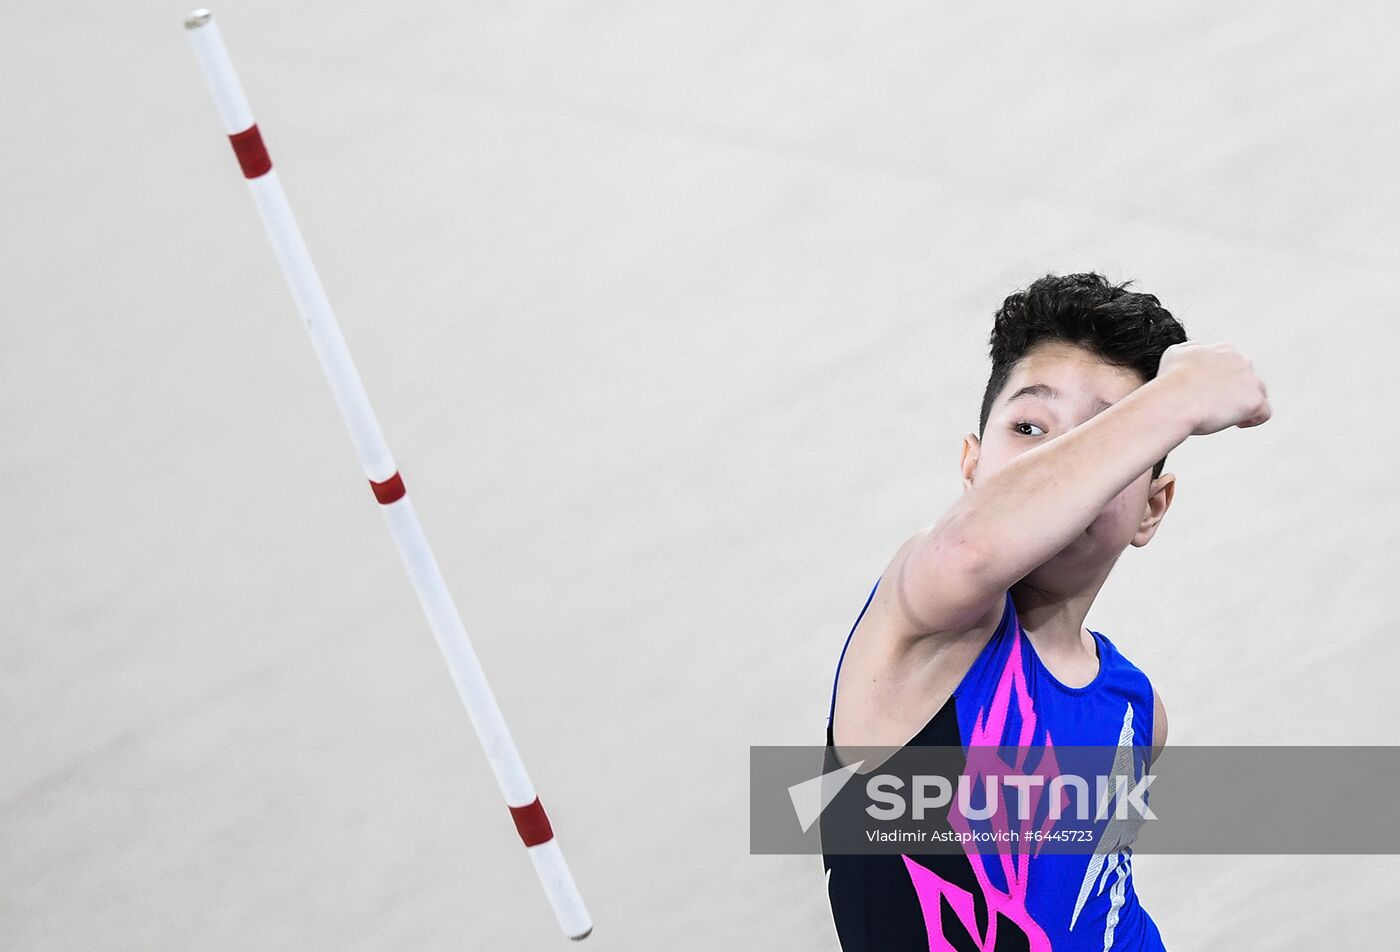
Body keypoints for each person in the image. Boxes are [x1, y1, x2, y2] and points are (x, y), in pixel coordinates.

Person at [821, 272, 1270, 950]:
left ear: (1152, 506)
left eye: (1105, 439)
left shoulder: (1136, 708)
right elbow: (970, 547)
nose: (1063, 458)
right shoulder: (925, 619)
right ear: (972, 466)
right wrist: (1176, 400)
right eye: (1029, 427)